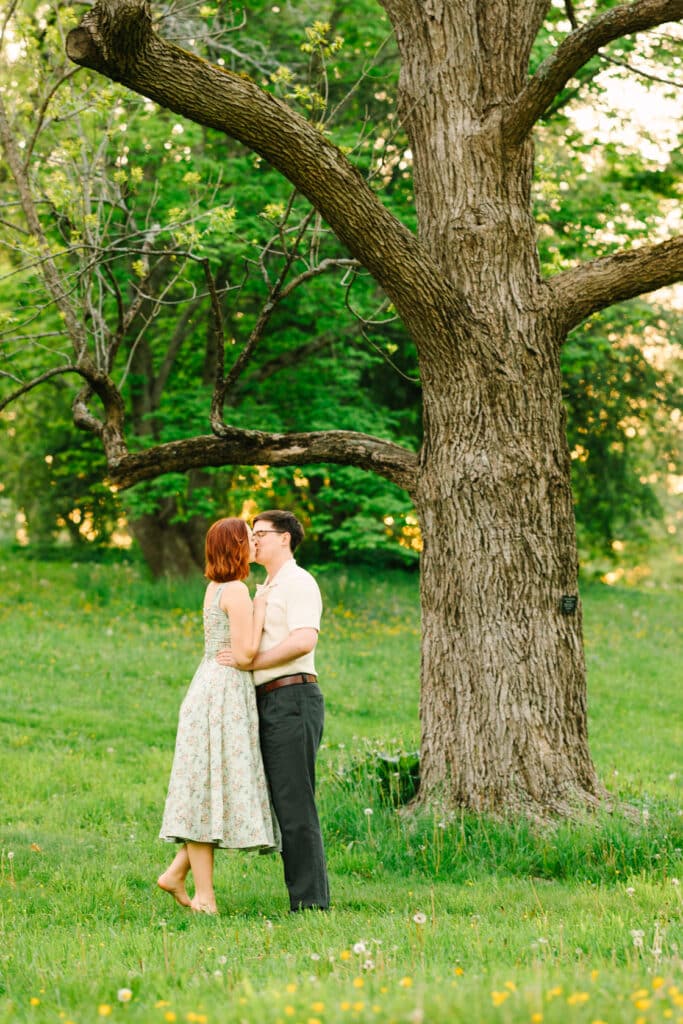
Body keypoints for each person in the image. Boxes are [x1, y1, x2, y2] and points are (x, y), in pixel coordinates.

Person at [157, 517, 278, 915]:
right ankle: (204, 897)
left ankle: (178, 873)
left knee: (208, 787)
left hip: (207, 686)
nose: (254, 544)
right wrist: (261, 610)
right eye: (249, 539)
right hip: (224, 693)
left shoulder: (214, 589)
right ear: (236, 547)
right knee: (211, 788)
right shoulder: (239, 592)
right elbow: (244, 656)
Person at [217, 510, 330, 912]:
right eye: (253, 534)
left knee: (295, 802)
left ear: (285, 538)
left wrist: (252, 662)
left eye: (261, 533)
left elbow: (303, 641)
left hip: (293, 699)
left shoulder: (298, 583)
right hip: (266, 699)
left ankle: (311, 903)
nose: (255, 540)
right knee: (274, 799)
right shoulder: (264, 588)